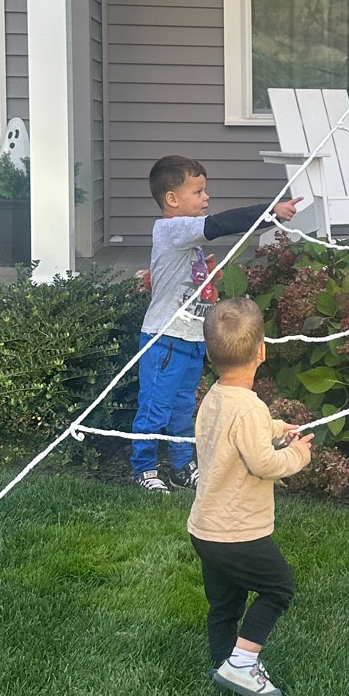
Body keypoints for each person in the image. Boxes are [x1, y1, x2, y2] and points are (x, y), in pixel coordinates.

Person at [132, 156, 297, 494]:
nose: (205, 198)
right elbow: (221, 224)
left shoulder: (186, 241)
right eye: (198, 191)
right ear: (172, 199)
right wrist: (272, 211)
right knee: (154, 408)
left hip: (191, 339)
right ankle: (144, 469)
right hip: (165, 340)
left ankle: (180, 466)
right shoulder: (172, 228)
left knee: (182, 409)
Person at [189, 296, 312, 696]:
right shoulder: (250, 407)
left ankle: (222, 665)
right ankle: (242, 663)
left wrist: (276, 426)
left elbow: (235, 435)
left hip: (206, 528)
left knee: (224, 603)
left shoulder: (213, 399)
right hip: (238, 532)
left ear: (210, 354)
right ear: (262, 350)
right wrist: (297, 454)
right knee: (278, 589)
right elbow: (262, 462)